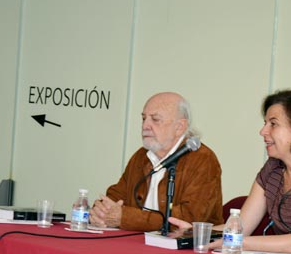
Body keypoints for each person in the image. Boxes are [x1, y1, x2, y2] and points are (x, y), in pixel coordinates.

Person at [171, 89, 291, 254]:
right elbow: (241, 227)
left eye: (273, 124)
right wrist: (196, 232)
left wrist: (239, 243)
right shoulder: (273, 169)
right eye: (265, 123)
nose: (263, 131)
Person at [90, 92, 223, 231]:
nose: (145, 125)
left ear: (180, 126)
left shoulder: (203, 160)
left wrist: (125, 218)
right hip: (137, 243)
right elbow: (115, 198)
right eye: (143, 118)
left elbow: (188, 218)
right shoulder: (141, 156)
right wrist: (100, 212)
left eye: (155, 119)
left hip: (185, 249)